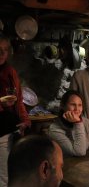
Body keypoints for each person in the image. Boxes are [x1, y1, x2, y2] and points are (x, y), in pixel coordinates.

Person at [0, 32, 31, 187]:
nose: (2, 53)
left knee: (8, 174)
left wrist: (25, 120)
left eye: (5, 49)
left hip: (8, 131)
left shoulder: (10, 72)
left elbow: (18, 101)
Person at [48, 90, 89, 156]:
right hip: (67, 165)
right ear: (63, 106)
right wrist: (78, 123)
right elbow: (79, 152)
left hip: (86, 163)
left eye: (80, 105)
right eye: (73, 104)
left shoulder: (87, 123)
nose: (77, 109)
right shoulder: (54, 130)